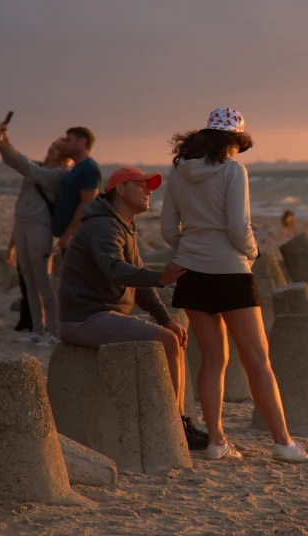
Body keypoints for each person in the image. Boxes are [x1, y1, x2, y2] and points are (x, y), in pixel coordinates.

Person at [160, 108, 308, 464]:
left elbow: (168, 229)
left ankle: (216, 442)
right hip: (230, 272)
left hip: (191, 273)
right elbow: (238, 227)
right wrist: (253, 252)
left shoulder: (179, 172)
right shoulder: (233, 170)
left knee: (213, 361)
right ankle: (283, 443)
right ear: (235, 142)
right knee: (257, 361)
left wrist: (192, 245)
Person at [58, 166, 208, 451]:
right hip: (85, 318)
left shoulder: (121, 223)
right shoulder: (103, 224)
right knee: (167, 341)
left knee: (172, 335)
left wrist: (165, 318)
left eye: (149, 186)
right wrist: (159, 277)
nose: (149, 190)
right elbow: (115, 269)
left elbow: (137, 282)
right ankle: (177, 425)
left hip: (104, 314)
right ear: (121, 189)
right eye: (141, 185)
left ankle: (179, 421)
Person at [0, 122, 69, 345]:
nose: (51, 149)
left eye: (57, 147)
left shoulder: (58, 174)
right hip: (21, 224)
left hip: (40, 226)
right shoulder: (35, 168)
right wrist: (1, 143)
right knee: (28, 281)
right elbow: (16, 163)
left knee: (43, 281)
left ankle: (53, 331)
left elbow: (22, 164)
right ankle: (37, 329)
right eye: (52, 145)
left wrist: (6, 144)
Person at [53, 127, 102, 253]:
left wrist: (68, 235)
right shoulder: (76, 168)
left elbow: (87, 204)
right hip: (70, 237)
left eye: (69, 140)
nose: (65, 144)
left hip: (77, 238)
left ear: (82, 142)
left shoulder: (89, 169)